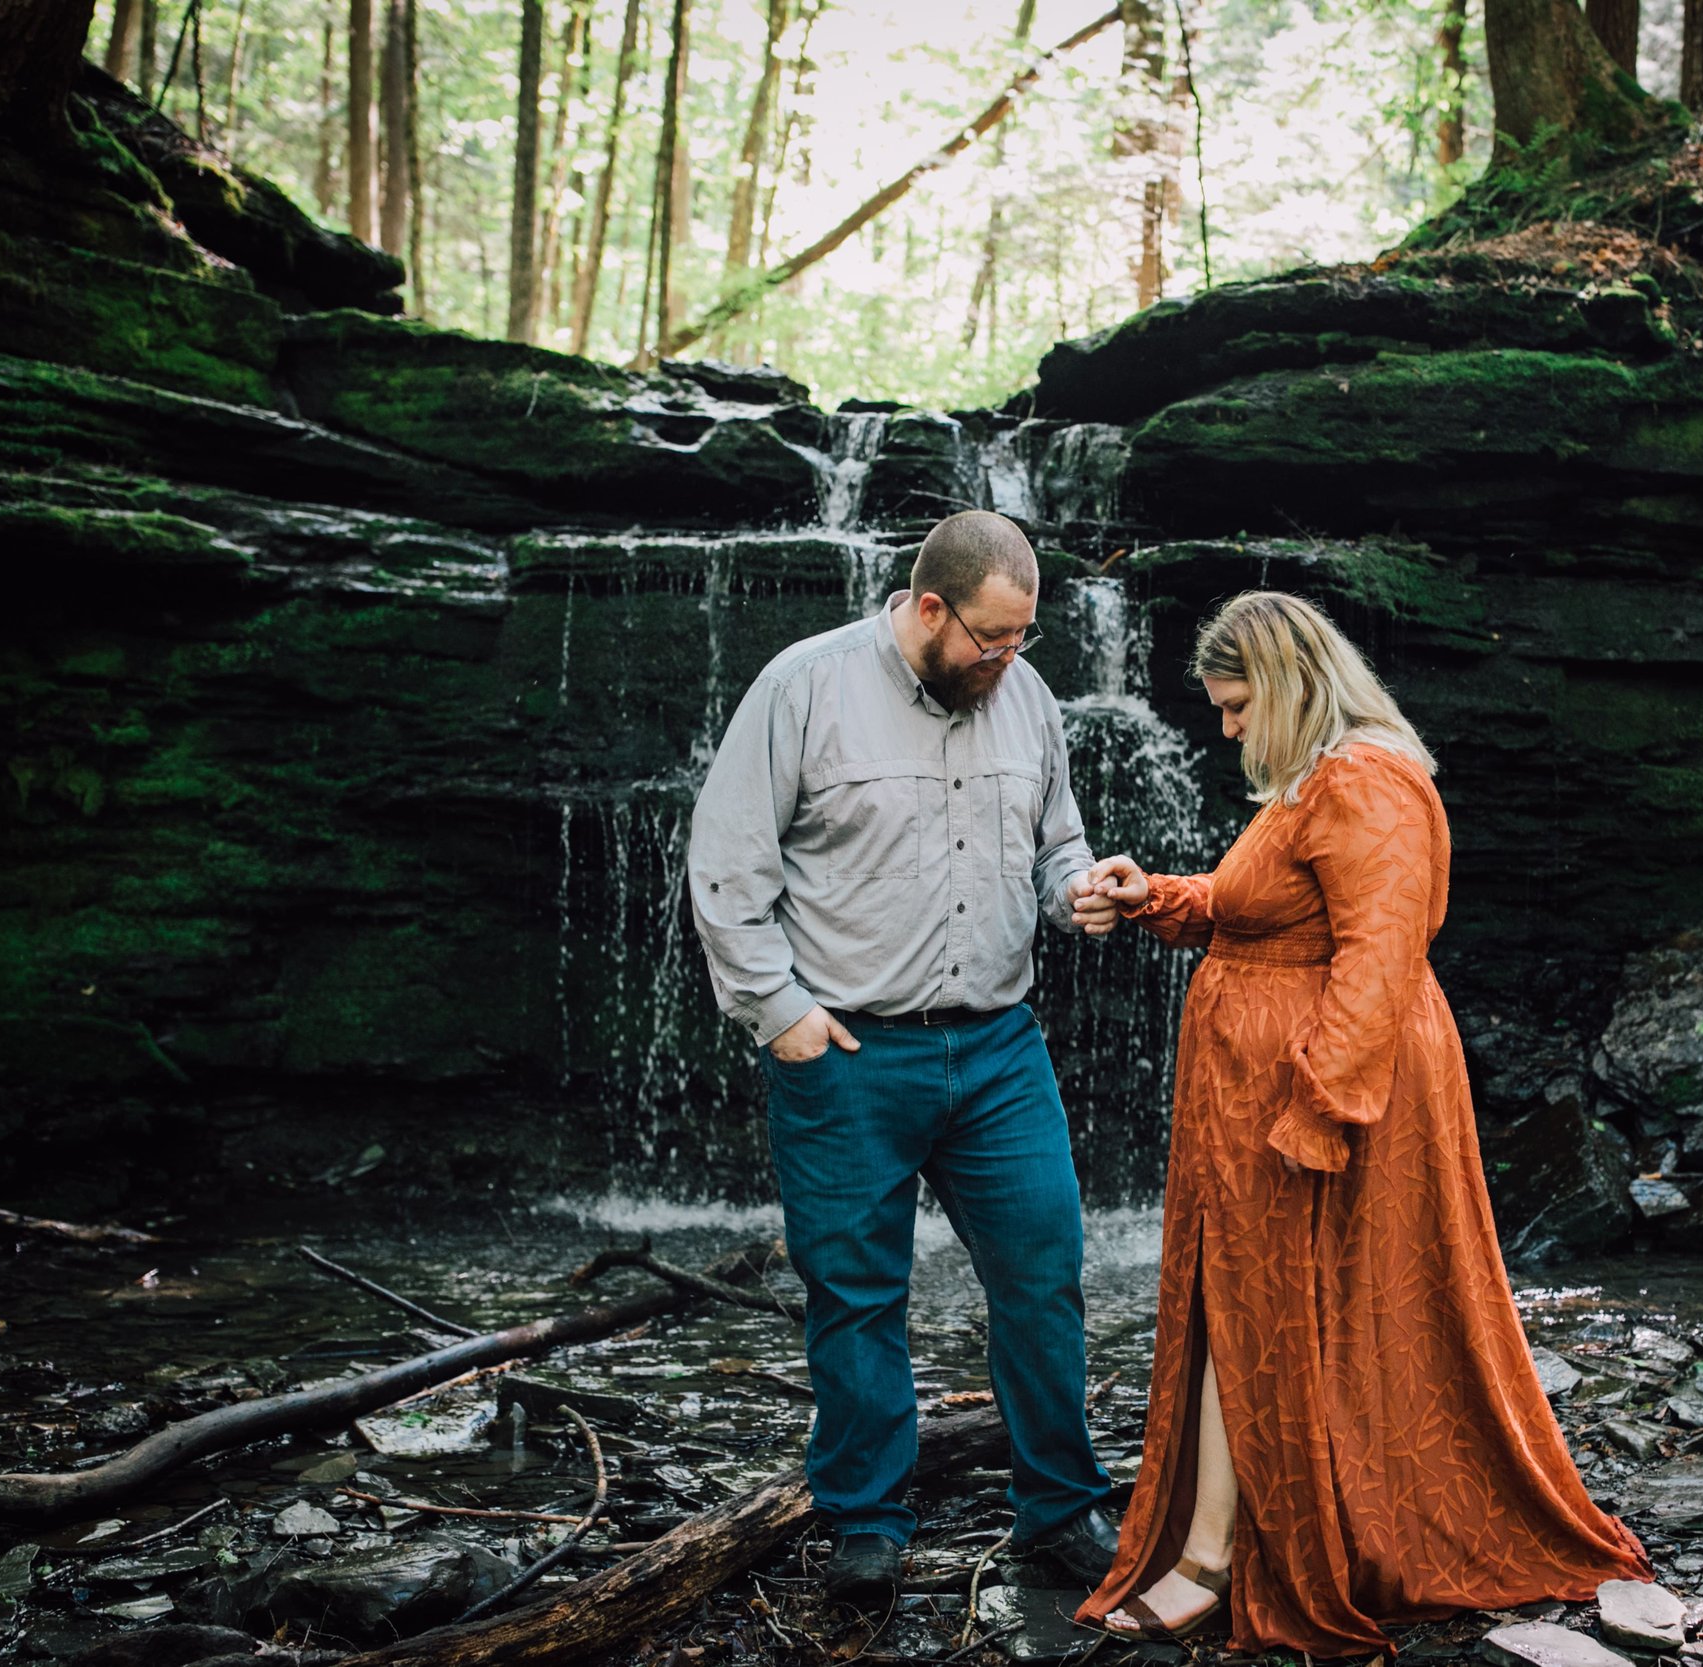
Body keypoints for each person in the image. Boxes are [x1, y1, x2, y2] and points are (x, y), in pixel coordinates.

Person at [1073, 592, 1652, 1655]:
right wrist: (1158, 895)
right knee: (1249, 1305)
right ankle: (1233, 1532)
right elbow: (1268, 903)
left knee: (1267, 1309)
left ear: (1290, 682)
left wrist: (1317, 1112)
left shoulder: (1366, 781)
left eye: (1237, 705)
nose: (1229, 729)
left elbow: (1376, 960)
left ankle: (1212, 1553)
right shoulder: (1321, 779)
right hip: (1269, 1092)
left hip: (1316, 1096)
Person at [686, 510, 1125, 1603]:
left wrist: (1080, 893)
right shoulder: (803, 688)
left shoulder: (1025, 696)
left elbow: (1055, 841)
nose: (1008, 657)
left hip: (998, 1048)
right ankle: (866, 1521)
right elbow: (728, 866)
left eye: (1023, 636)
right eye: (990, 636)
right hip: (846, 1050)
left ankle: (1060, 1512)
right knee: (854, 1295)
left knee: (1042, 1276)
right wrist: (776, 1009)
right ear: (928, 608)